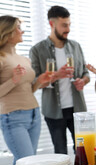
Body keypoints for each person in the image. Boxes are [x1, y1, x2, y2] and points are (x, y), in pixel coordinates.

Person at [29, 6, 90, 154]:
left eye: (69, 24)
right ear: (52, 24)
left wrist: (83, 81)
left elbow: (85, 73)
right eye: (64, 25)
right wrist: (56, 75)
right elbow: (35, 83)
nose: (68, 29)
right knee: (61, 152)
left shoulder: (76, 46)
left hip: (77, 108)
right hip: (54, 111)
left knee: (84, 151)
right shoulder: (37, 50)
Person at [0, 15, 51, 165]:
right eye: (18, 28)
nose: (22, 31)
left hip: (33, 115)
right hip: (13, 117)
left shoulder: (24, 59)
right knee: (27, 164)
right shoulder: (1, 58)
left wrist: (40, 81)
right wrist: (12, 80)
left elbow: (28, 89)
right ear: (7, 32)